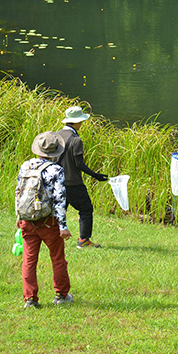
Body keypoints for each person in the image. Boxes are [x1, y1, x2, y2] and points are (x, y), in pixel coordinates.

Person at [16, 131, 73, 308]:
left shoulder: (26, 166)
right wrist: (63, 226)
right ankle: (61, 295)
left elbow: (18, 191)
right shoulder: (56, 170)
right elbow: (59, 199)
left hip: (27, 220)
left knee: (29, 260)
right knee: (57, 258)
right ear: (55, 151)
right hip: (49, 222)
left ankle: (30, 299)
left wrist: (19, 217)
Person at [55, 106, 109, 249]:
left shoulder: (56, 136)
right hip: (73, 182)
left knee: (60, 209)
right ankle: (84, 240)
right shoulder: (75, 140)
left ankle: (52, 237)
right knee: (86, 209)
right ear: (77, 122)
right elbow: (79, 164)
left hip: (57, 181)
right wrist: (96, 175)